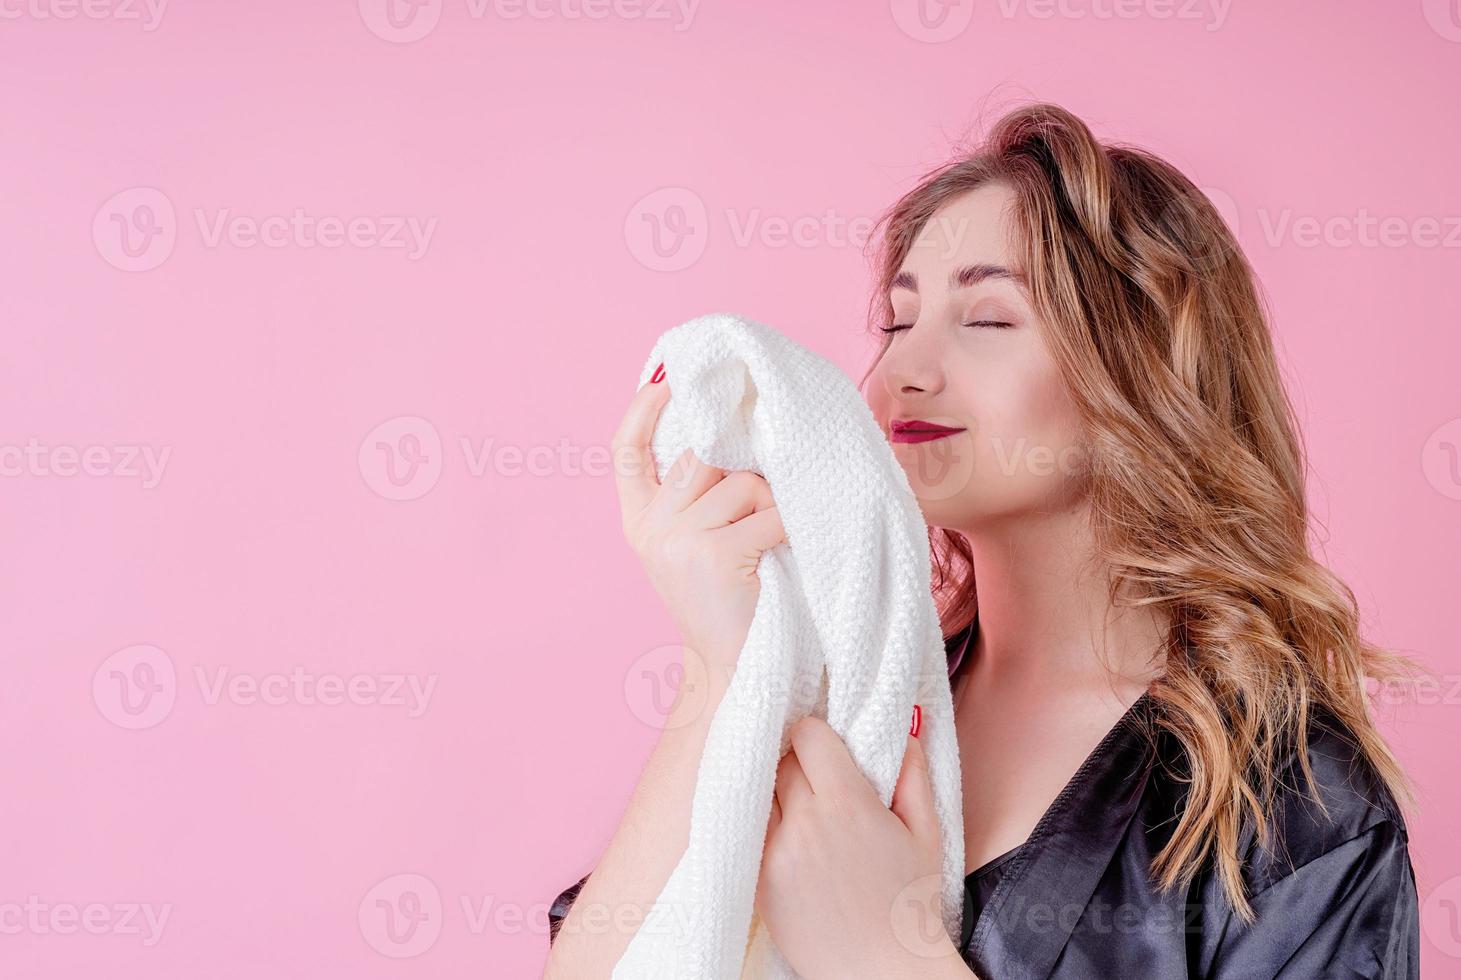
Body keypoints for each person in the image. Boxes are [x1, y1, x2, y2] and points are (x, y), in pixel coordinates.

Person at [543, 102, 1420, 978]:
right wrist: (726, 662)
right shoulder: (853, 684)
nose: (901, 371)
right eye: (896, 321)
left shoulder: (1296, 817)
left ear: (1149, 368)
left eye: (987, 320)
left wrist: (886, 957)